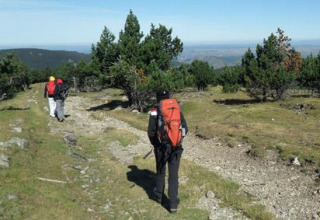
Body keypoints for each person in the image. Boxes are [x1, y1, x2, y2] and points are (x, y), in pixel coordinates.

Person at [147, 88, 188, 214]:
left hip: (161, 147)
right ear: (169, 96)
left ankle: (158, 197)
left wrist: (156, 144)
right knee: (173, 175)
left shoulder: (155, 111)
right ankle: (173, 204)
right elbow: (186, 128)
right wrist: (176, 141)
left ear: (157, 98)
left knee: (160, 171)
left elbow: (151, 132)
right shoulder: (177, 108)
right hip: (176, 148)